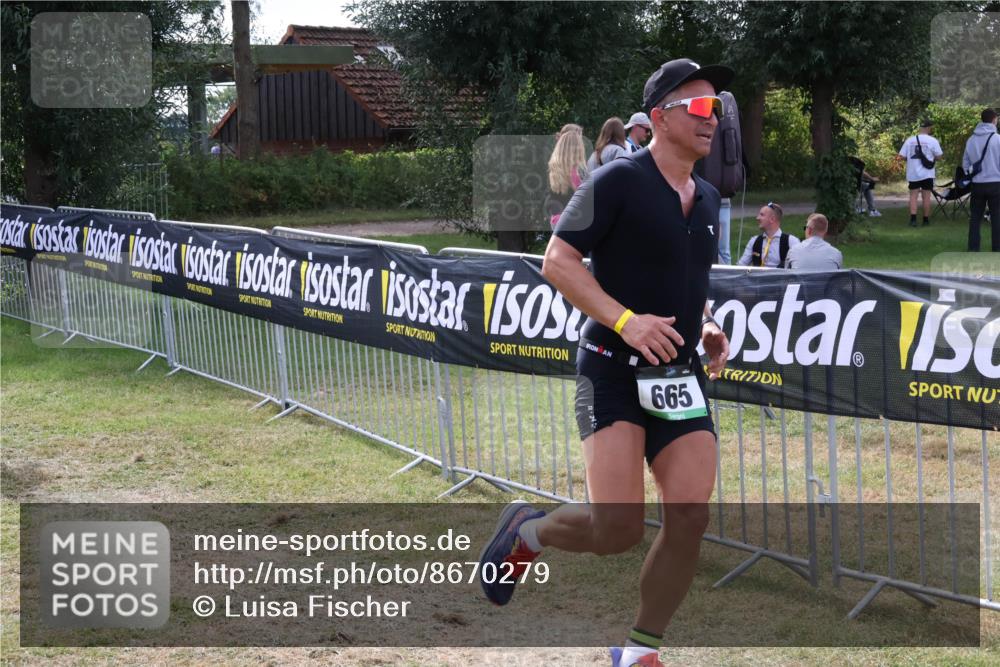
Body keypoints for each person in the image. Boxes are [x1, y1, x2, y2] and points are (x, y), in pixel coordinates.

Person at [478, 58, 733, 667]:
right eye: (699, 108)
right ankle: (528, 532)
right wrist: (627, 322)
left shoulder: (708, 199)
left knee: (690, 515)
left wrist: (708, 324)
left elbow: (683, 282)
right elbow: (558, 262)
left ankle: (639, 651)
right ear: (660, 117)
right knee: (617, 529)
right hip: (610, 367)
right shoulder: (615, 181)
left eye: (717, 110)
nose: (712, 120)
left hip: (678, 375)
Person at [962, 107, 1000, 251]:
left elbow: (965, 163)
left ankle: (973, 248)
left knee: (975, 217)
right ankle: (997, 248)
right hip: (996, 183)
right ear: (993, 120)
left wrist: (970, 175)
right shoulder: (997, 139)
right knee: (997, 217)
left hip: (977, 184)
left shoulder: (971, 140)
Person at [896, 119, 943, 227]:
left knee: (913, 196)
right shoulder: (933, 140)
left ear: (920, 128)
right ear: (928, 128)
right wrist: (931, 158)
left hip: (913, 173)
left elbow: (901, 156)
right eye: (931, 128)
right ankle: (925, 220)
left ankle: (913, 220)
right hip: (927, 173)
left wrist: (911, 160)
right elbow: (939, 156)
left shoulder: (910, 140)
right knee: (926, 196)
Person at [546, 124, 588, 227]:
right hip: (573, 220)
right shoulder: (577, 170)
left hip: (556, 219)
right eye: (580, 138)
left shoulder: (553, 165)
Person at [736, 202, 799, 268]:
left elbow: (798, 267)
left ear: (772, 219)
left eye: (762, 215)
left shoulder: (791, 241)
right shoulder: (754, 241)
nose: (757, 218)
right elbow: (740, 266)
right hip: (758, 278)